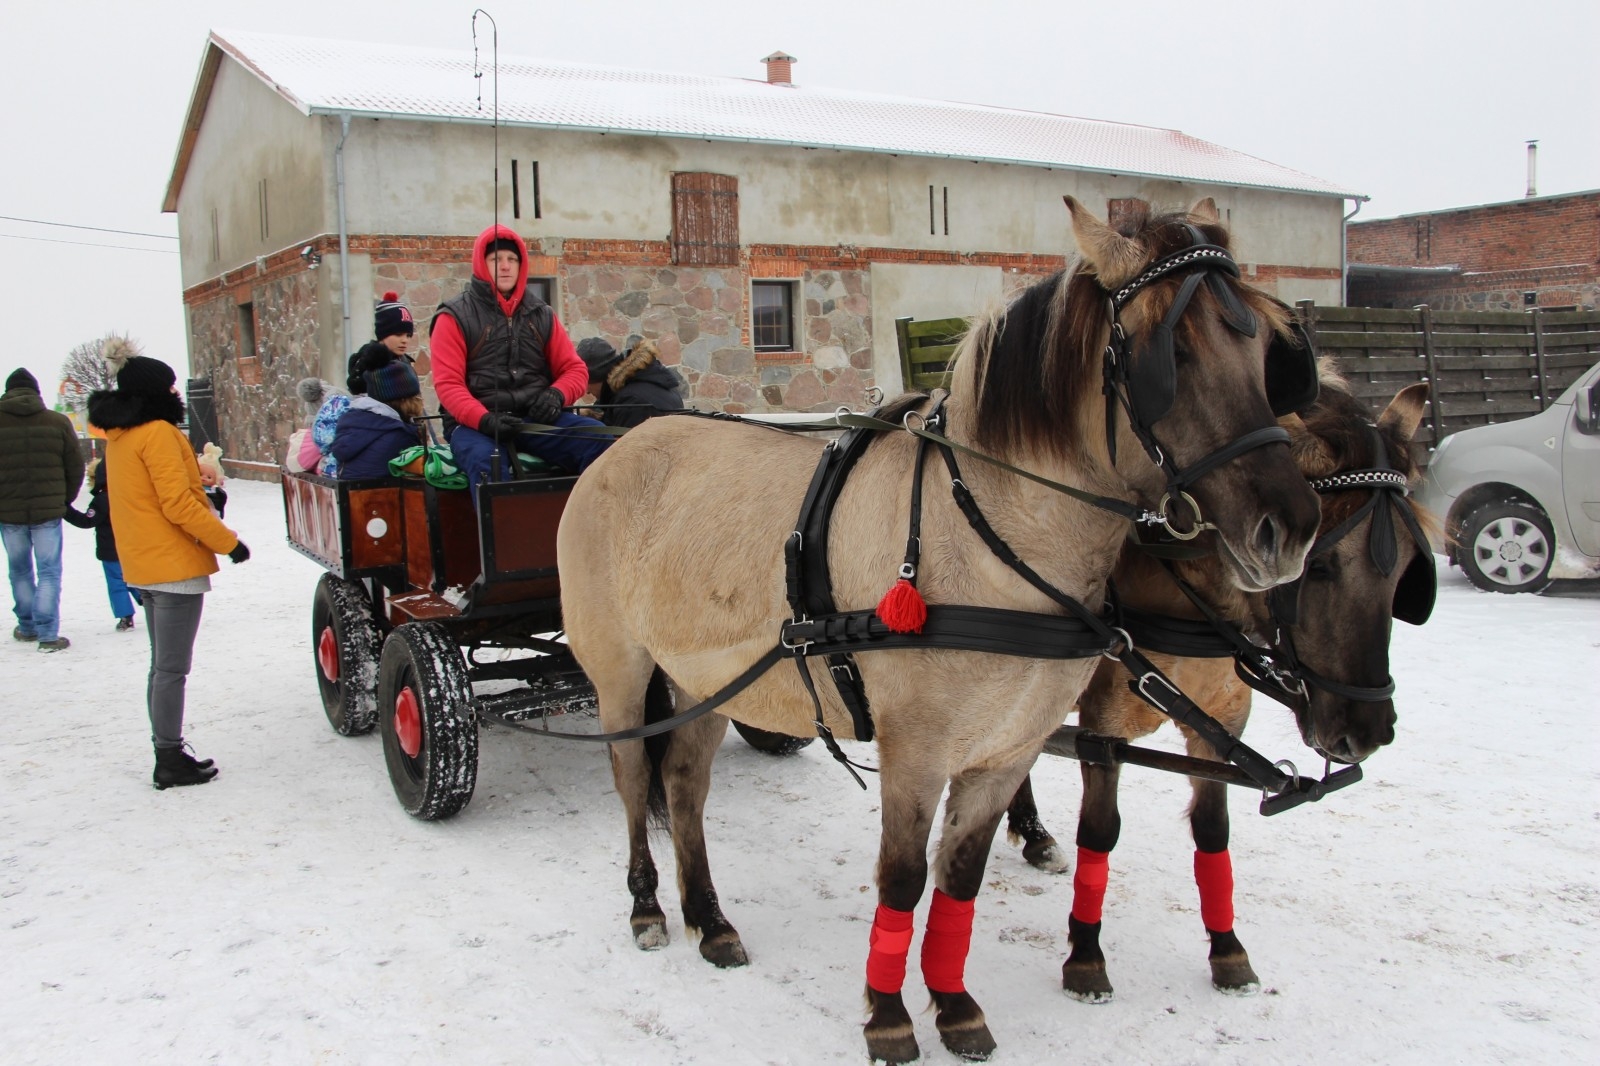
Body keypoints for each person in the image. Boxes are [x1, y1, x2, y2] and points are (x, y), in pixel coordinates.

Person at [87, 356, 250, 790]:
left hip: (142, 564)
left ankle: (168, 751)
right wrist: (228, 542)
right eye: (170, 386)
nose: (176, 393)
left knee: (162, 667)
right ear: (153, 392)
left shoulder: (120, 438)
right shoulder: (158, 433)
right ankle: (168, 758)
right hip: (172, 565)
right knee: (171, 669)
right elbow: (176, 504)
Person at [430, 225, 610, 493]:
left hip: (533, 420)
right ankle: (499, 534)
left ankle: (587, 528)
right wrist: (484, 419)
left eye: (511, 260)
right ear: (482, 264)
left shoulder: (542, 314)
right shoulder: (453, 317)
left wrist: (555, 396)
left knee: (601, 442)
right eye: (496, 260)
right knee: (487, 465)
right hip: (476, 426)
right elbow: (448, 386)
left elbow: (574, 369)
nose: (505, 267)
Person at [1, 367, 84, 651]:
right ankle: (48, 634)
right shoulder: (57, 422)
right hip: (48, 511)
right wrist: (63, 500)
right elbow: (75, 467)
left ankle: (27, 627)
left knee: (19, 570)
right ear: (36, 391)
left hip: (8, 513)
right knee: (49, 571)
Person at [63, 456, 143, 631]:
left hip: (110, 550)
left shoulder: (102, 500)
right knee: (133, 577)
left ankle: (125, 616)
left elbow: (87, 521)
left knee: (117, 582)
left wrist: (65, 510)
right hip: (132, 547)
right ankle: (145, 596)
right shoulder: (129, 495)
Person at [330, 352, 427, 478]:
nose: (419, 401)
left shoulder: (352, 421)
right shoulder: (401, 434)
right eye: (416, 396)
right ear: (405, 400)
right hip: (384, 496)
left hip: (355, 494)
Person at [576, 336, 686, 428]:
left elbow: (621, 451)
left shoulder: (631, 401)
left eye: (587, 383)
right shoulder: (644, 382)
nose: (587, 391)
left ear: (600, 376)